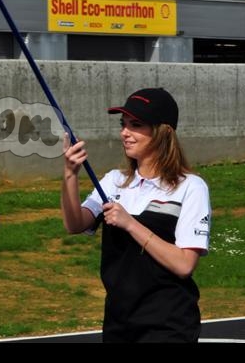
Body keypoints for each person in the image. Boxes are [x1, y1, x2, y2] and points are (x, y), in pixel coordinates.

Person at [61, 87, 211, 342]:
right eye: (123, 124)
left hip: (168, 325)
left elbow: (184, 264)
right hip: (119, 322)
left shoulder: (191, 187)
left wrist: (131, 224)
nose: (124, 133)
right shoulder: (113, 181)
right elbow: (75, 224)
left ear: (163, 132)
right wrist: (69, 174)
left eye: (136, 125)